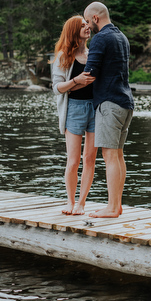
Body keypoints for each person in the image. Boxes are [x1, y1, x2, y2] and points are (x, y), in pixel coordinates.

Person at [81, 2, 134, 218]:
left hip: (109, 103)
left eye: (87, 21)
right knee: (118, 155)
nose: (87, 25)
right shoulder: (122, 37)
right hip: (125, 101)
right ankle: (117, 205)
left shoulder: (101, 38)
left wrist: (68, 85)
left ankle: (112, 208)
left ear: (95, 18)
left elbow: (90, 72)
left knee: (109, 155)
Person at [51, 15, 97, 215]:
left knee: (90, 159)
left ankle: (82, 204)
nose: (87, 27)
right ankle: (70, 202)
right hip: (74, 109)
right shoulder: (63, 56)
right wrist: (75, 81)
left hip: (95, 109)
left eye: (87, 24)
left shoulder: (93, 53)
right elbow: (57, 87)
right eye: (82, 25)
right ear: (73, 31)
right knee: (73, 160)